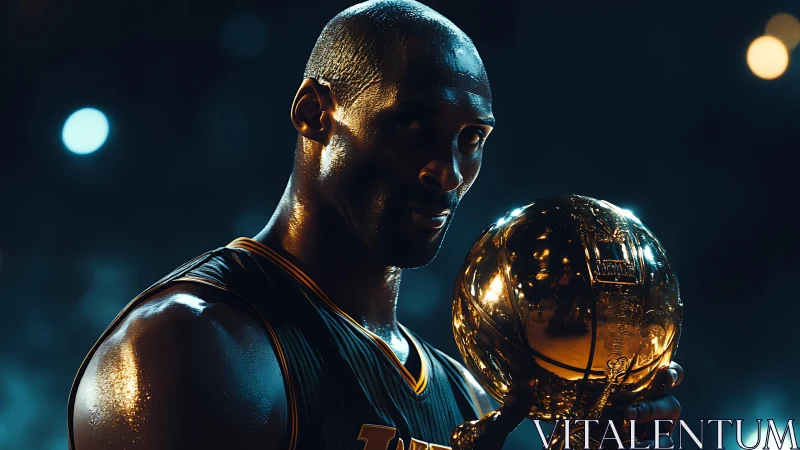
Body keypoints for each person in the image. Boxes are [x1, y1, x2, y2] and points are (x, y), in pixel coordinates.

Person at [68, 1, 683, 449]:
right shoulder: (185, 347)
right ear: (315, 113)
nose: (447, 172)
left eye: (471, 140)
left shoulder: (473, 398)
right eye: (413, 125)